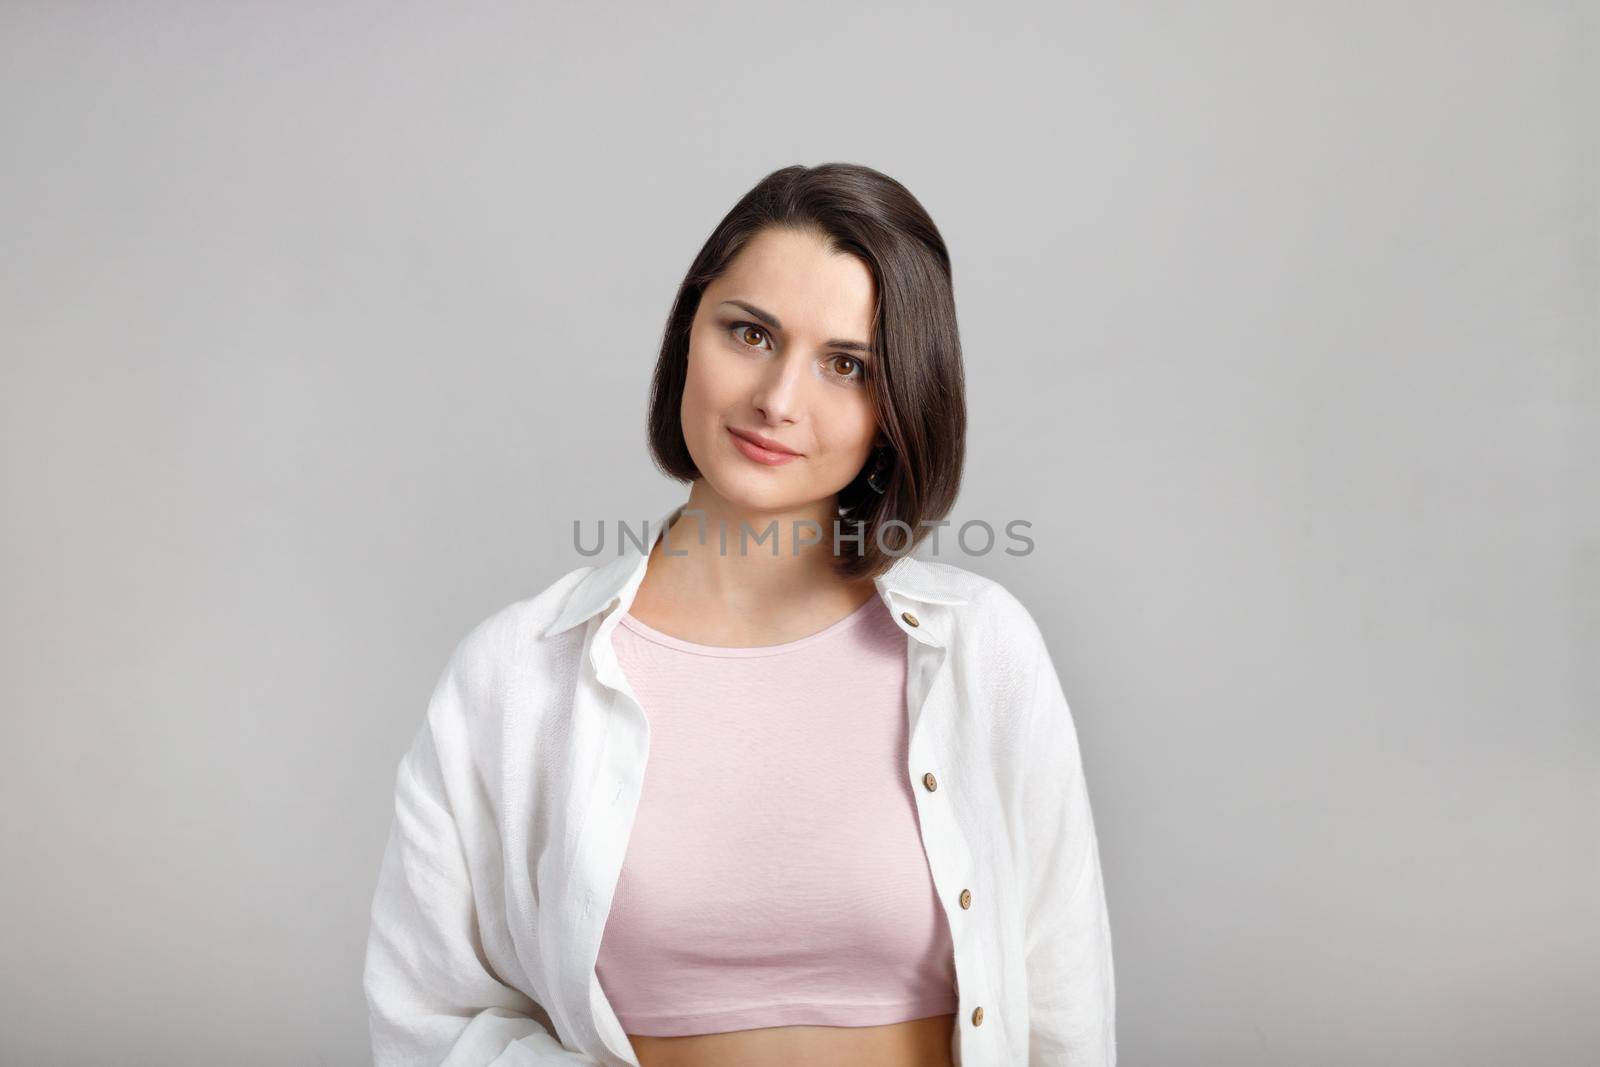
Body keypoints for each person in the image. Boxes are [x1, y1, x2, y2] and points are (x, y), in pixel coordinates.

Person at [363, 162, 1116, 1066]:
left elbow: (1065, 1009)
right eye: (751, 333)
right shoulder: (517, 672)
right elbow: (426, 1018)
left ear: (899, 405)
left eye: (847, 365)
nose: (779, 399)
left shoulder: (982, 651)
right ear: (690, 330)